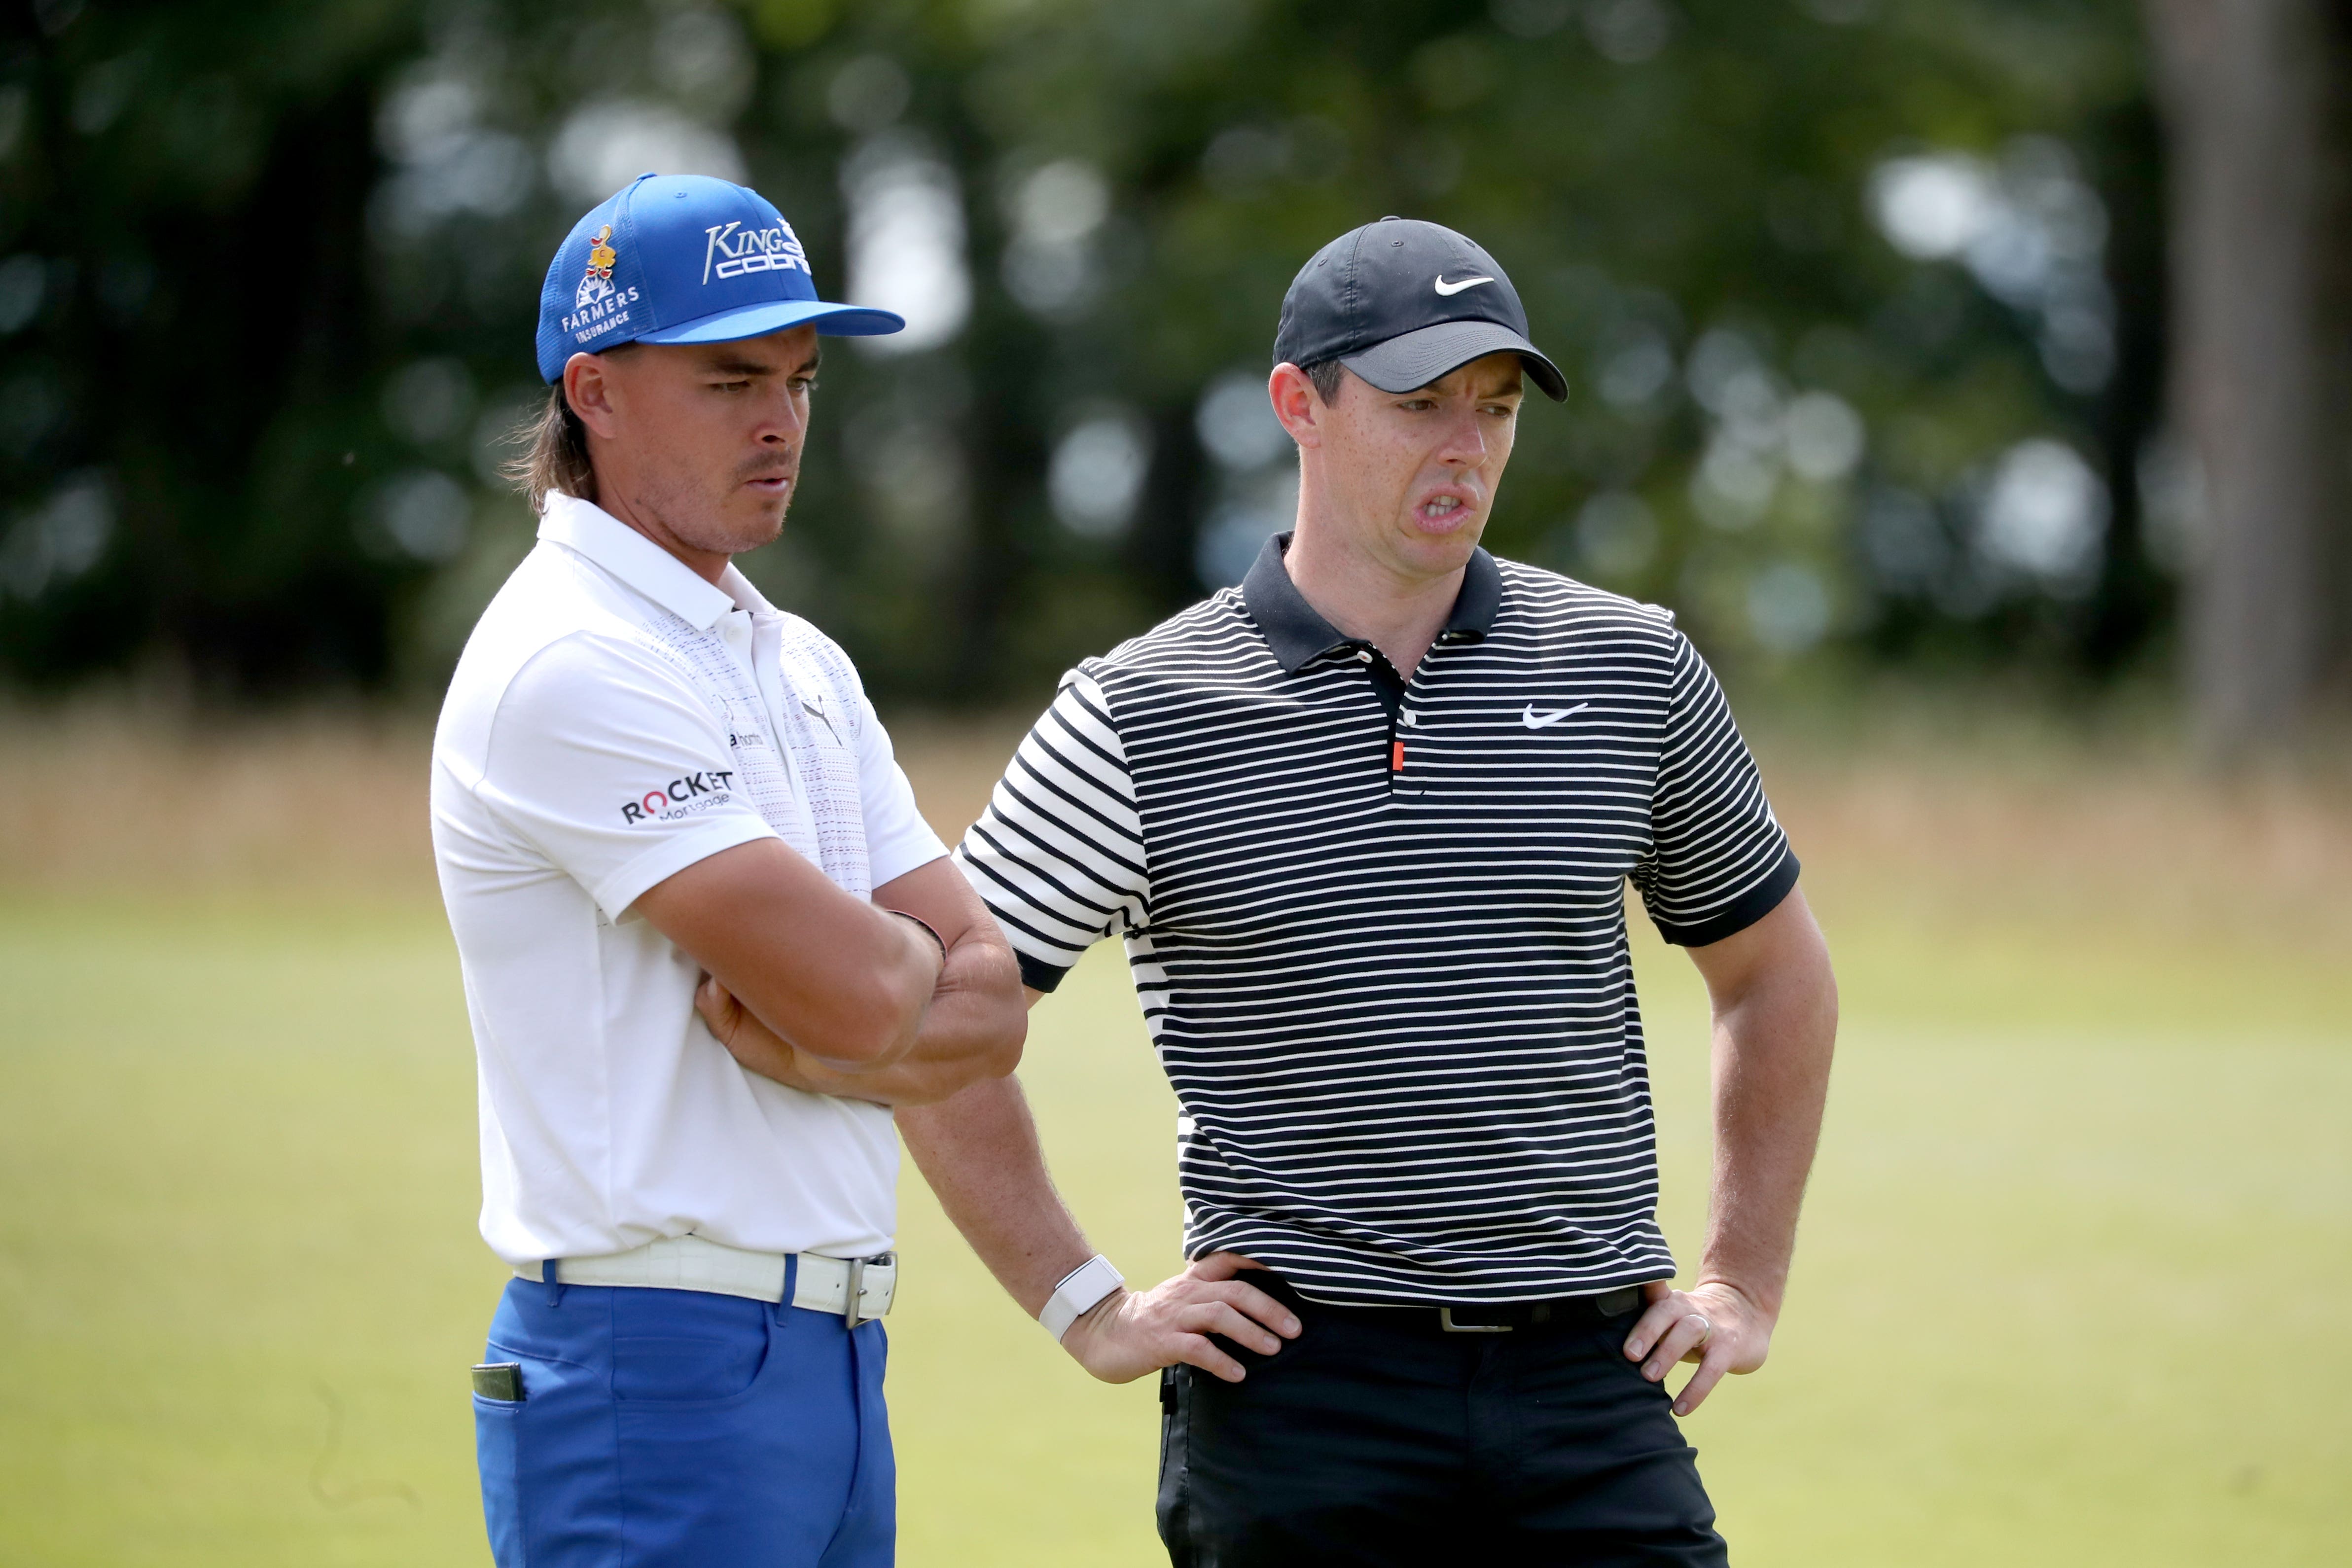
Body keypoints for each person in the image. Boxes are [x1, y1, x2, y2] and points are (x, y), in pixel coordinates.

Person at [712, 216, 1838, 1563]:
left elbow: (1772, 973)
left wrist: (1741, 1279)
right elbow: (937, 1021)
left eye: (1490, 409)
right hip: (1303, 1396)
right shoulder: (1139, 711)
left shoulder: (1627, 668)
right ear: (1297, 405)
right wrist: (1083, 1301)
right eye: (1420, 404)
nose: (1465, 448)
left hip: (1590, 1377)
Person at [429, 172, 1026, 1568]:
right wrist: (881, 1004)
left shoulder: (797, 656)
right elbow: (876, 977)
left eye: (802, 381)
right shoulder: (569, 657)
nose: (780, 421)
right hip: (653, 1355)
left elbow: (988, 1004)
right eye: (729, 379)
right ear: (596, 391)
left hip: (828, 1353)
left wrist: (837, 1044)